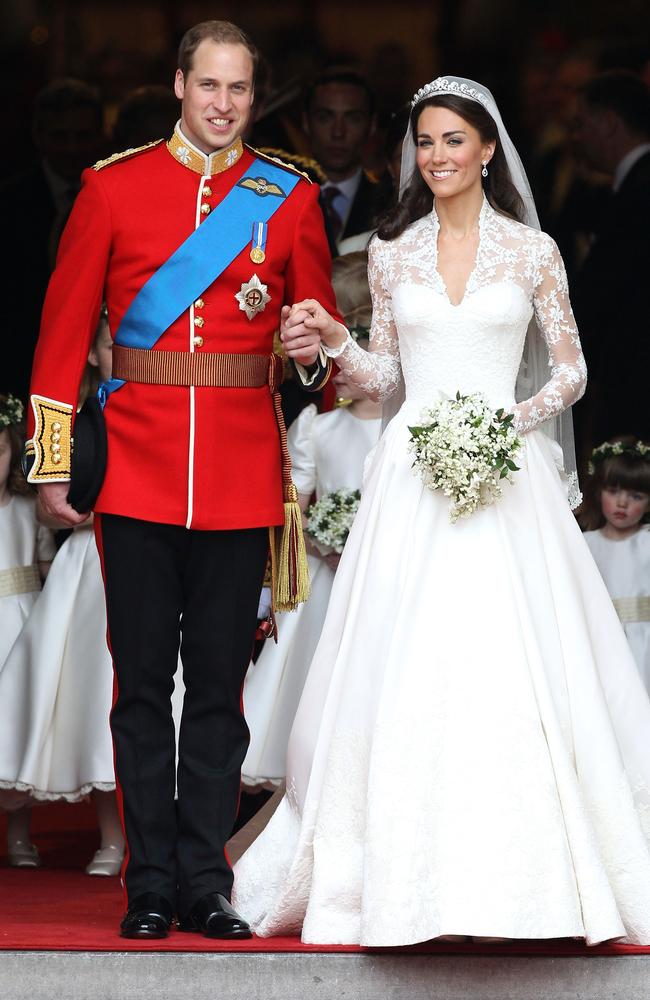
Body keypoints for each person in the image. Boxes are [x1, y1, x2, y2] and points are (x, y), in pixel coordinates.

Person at [233, 76, 650, 946]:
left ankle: (533, 881)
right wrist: (343, 346)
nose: (438, 156)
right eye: (425, 142)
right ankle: (391, 880)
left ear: (489, 149)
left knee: (516, 665)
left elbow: (570, 372)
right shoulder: (392, 252)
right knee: (405, 665)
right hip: (412, 479)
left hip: (508, 476)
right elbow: (387, 381)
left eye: (455, 140)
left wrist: (509, 423)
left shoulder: (533, 252)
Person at [24, 19, 342, 940]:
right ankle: (149, 881)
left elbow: (317, 356)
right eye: (209, 86)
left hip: (240, 473)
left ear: (254, 95)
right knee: (138, 689)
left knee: (217, 691)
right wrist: (54, 466)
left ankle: (206, 878)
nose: (223, 104)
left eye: (239, 90)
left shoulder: (287, 197)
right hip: (135, 473)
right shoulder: (112, 188)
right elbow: (61, 336)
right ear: (178, 84)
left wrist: (311, 351)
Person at [241, 251, 382, 790]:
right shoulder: (317, 427)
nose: (343, 372)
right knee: (311, 663)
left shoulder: (401, 429)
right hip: (326, 570)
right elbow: (296, 494)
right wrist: (319, 531)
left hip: (378, 567)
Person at [0, 311, 124, 877]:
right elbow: (54, 503)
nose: (123, 350)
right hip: (88, 566)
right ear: (93, 354)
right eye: (110, 342)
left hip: (151, 560)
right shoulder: (72, 423)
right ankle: (111, 836)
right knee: (88, 692)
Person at [0, 79, 105, 404]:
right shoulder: (8, 205)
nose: (72, 147)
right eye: (61, 137)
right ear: (39, 137)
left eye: (83, 136)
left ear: (101, 136)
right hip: (22, 367)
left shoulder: (123, 195)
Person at [570, 72, 650, 462]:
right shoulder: (626, 185)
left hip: (635, 374)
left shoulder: (641, 189)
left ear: (610, 123)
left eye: (581, 124)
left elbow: (609, 288)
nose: (577, 137)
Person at [0, 393, 55, 868]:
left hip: (19, 619)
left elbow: (45, 565)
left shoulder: (25, 508)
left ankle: (19, 835)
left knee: (16, 723)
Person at [579, 438, 650, 693]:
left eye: (636, 495)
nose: (622, 503)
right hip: (603, 640)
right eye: (613, 491)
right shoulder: (584, 545)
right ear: (598, 492)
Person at [304, 69, 382, 254]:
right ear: (306, 123)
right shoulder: (281, 196)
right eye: (325, 117)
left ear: (371, 126)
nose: (338, 132)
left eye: (353, 119)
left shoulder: (388, 202)